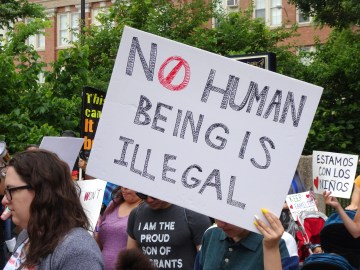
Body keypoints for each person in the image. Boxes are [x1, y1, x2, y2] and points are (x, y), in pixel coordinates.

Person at [1, 149, 104, 269]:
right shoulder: (27, 235)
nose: (5, 200)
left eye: (11, 190)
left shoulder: (77, 250)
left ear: (41, 191)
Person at [127, 193, 212, 270]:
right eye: (143, 195)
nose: (149, 200)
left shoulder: (193, 214)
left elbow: (206, 261)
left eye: (155, 195)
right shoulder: (136, 214)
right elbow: (130, 259)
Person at [197, 208, 295, 270]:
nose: (220, 224)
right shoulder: (211, 235)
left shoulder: (281, 243)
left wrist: (271, 248)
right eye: (217, 214)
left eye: (230, 215)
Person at [95, 186, 142, 270]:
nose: (124, 188)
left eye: (130, 184)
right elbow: (99, 243)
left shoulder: (145, 209)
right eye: (123, 183)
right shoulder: (113, 204)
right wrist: (96, 228)